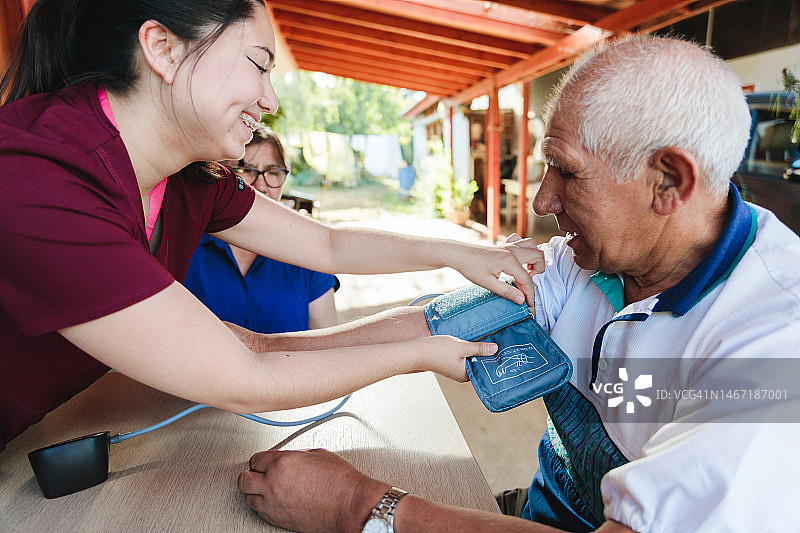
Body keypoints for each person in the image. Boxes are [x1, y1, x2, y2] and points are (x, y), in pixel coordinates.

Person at [235, 37, 800, 532]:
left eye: (568, 172)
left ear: (668, 181)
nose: (541, 202)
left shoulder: (775, 349)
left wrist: (359, 507)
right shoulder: (583, 264)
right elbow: (431, 322)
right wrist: (251, 353)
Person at [0, 0, 544, 452]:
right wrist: (418, 356)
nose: (271, 100)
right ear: (163, 49)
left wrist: (459, 254)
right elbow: (244, 378)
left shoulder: (189, 179)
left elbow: (329, 244)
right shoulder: (38, 178)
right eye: (258, 65)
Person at [184, 124, 338, 333]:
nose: (262, 185)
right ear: (220, 175)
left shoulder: (307, 253)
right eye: (247, 170)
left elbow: (326, 341)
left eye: (273, 172)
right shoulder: (186, 245)